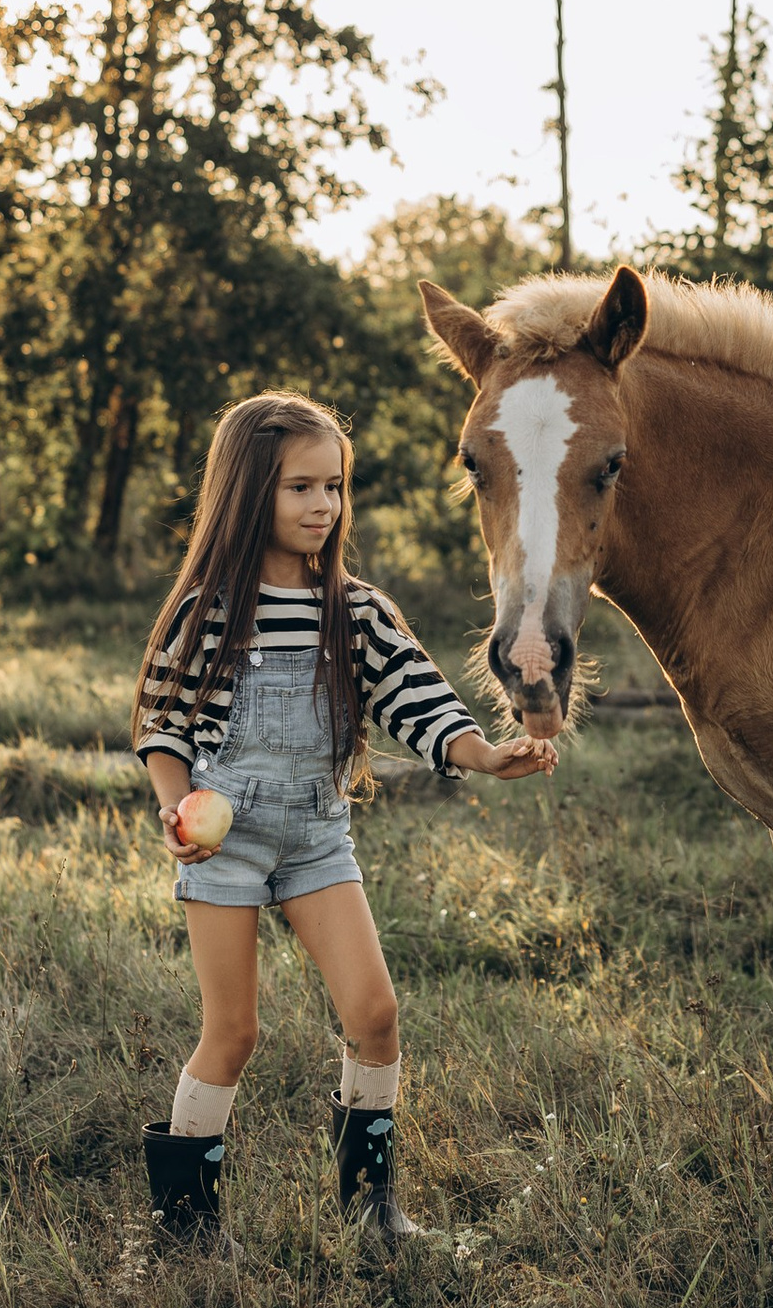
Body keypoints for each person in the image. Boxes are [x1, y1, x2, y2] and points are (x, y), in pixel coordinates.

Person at [131, 391, 553, 1250]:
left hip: (318, 838)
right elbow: (161, 722)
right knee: (234, 1031)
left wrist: (484, 754)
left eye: (334, 487)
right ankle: (185, 1229)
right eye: (300, 488)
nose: (323, 506)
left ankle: (373, 1213)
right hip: (227, 843)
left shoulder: (356, 610)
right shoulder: (207, 608)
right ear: (251, 493)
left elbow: (414, 700)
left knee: (376, 1014)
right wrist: (176, 807)